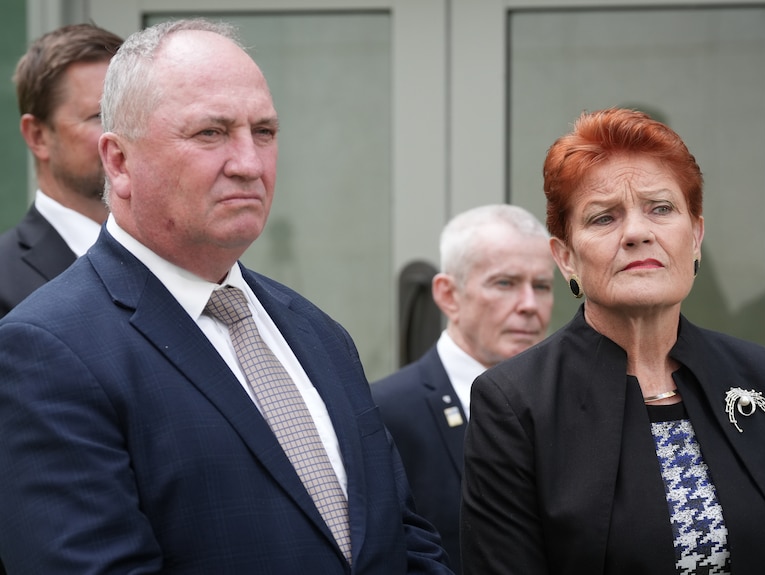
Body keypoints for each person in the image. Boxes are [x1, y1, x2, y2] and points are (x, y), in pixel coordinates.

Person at [0, 19, 452, 574]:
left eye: (263, 132)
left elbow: (405, 538)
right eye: (210, 133)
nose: (249, 163)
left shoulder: (316, 332)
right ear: (118, 162)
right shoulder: (47, 351)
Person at [460, 108, 765, 574]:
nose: (638, 233)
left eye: (661, 208)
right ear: (565, 258)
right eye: (604, 218)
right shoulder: (516, 405)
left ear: (696, 236)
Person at [373, 203, 555, 573]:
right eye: (505, 283)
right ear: (448, 295)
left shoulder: (572, 402)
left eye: (542, 286)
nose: (529, 305)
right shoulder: (384, 411)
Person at [0, 23, 123, 318]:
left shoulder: (181, 260)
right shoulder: (5, 281)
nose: (121, 135)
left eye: (130, 114)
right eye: (100, 116)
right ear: (38, 136)